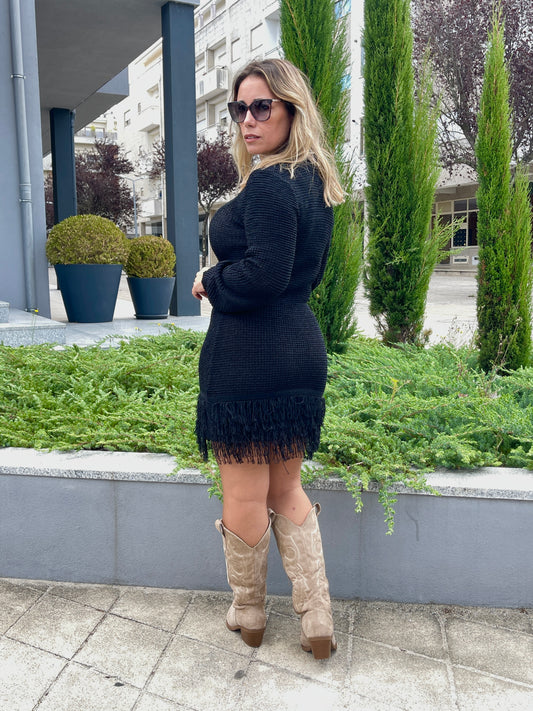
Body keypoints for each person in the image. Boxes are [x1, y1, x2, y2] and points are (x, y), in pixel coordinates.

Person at [192, 58, 344, 660]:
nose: (247, 120)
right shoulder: (316, 184)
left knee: (245, 495)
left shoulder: (269, 183)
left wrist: (210, 280)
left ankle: (250, 613)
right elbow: (300, 277)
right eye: (239, 109)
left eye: (262, 106)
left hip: (246, 361)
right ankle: (316, 618)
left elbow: (263, 275)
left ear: (291, 109)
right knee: (287, 489)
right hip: (299, 353)